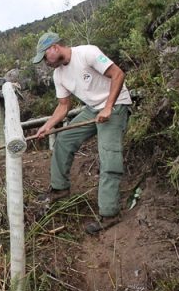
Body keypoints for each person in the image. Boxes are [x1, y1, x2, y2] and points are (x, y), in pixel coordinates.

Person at [32, 32, 132, 234]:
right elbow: (63, 106)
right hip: (93, 110)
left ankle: (110, 213)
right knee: (64, 139)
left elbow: (118, 74)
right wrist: (48, 125)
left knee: (108, 155)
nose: (45, 62)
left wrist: (108, 107)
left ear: (55, 47)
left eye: (45, 57)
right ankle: (60, 188)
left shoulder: (87, 53)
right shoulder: (58, 75)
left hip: (115, 104)